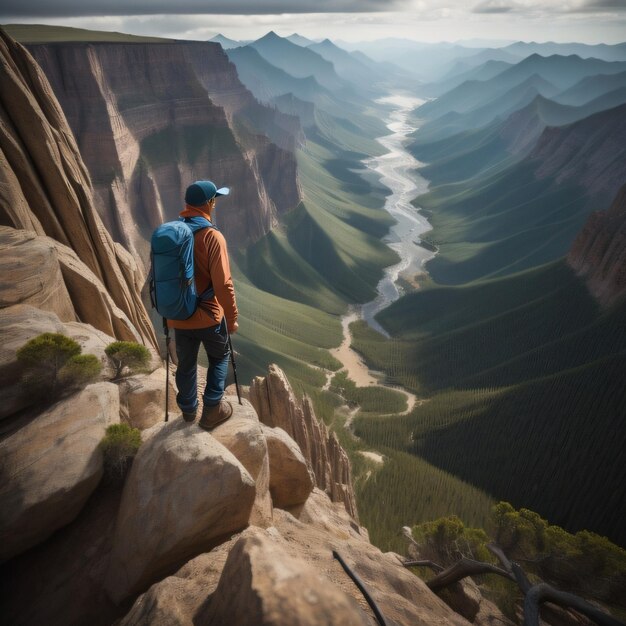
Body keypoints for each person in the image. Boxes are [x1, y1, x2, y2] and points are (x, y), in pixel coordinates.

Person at [168, 180, 238, 430]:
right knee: (219, 358)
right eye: (214, 199)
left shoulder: (172, 233)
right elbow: (224, 285)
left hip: (178, 314)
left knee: (186, 364)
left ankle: (188, 412)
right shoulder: (212, 236)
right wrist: (232, 318)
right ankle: (212, 410)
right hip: (209, 315)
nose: (215, 202)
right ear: (209, 203)